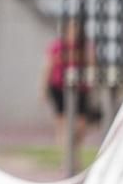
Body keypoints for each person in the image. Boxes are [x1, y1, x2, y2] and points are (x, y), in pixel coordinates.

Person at [42, 17, 98, 150]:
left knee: (81, 124)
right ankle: (66, 156)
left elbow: (92, 64)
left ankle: (74, 148)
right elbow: (48, 67)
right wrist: (43, 89)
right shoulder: (58, 46)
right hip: (58, 86)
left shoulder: (85, 47)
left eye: (76, 28)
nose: (74, 31)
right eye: (71, 28)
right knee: (62, 122)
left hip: (80, 88)